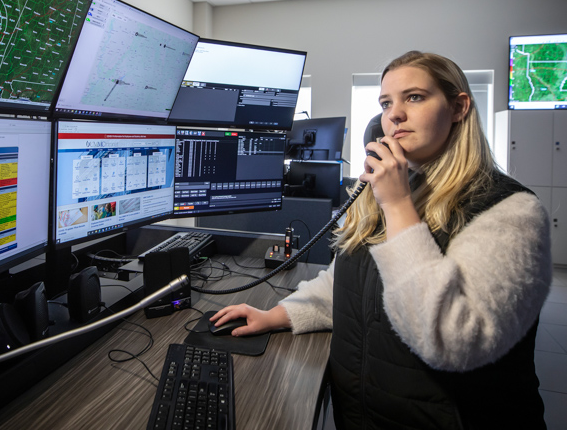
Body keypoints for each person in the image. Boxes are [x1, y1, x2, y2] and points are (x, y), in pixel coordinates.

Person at [211, 51, 552, 429]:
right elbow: (347, 283)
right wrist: (276, 315)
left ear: (458, 107)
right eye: (386, 103)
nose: (394, 114)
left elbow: (449, 340)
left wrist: (398, 204)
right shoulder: (385, 192)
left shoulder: (511, 210)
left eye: (415, 97)